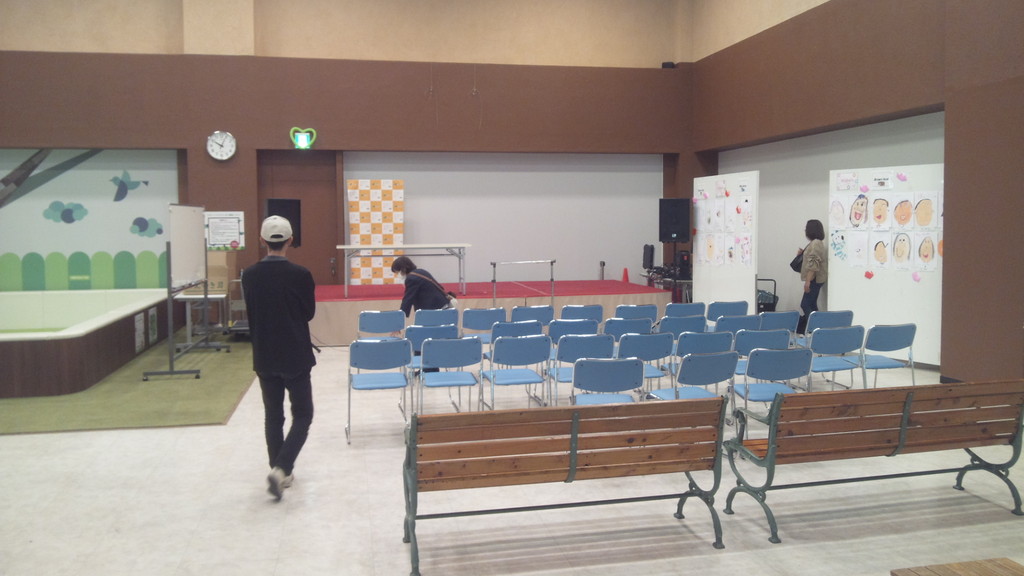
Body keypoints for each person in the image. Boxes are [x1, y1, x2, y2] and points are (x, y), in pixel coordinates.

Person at [242, 215, 316, 501]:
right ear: (290, 240)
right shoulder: (301, 274)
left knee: (273, 415)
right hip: (295, 353)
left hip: (264, 353)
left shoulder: (249, 275)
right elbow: (308, 313)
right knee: (303, 414)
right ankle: (282, 468)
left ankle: (279, 469)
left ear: (262, 240)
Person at [795, 219, 828, 334]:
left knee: (805, 304)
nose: (805, 230)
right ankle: (817, 329)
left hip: (814, 279)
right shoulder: (816, 243)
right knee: (812, 304)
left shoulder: (816, 243)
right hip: (816, 279)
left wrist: (808, 281)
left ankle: (815, 329)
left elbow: (813, 264)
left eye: (806, 228)